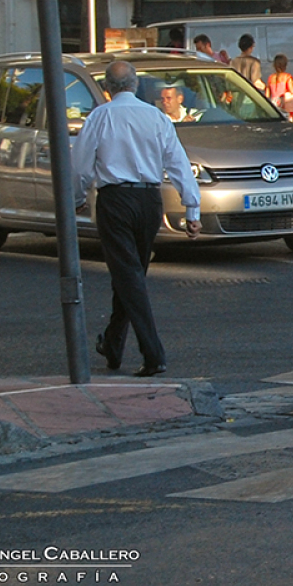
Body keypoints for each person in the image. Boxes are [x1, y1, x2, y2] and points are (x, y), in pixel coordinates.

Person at [73, 61, 201, 377]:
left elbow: (79, 167)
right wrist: (192, 209)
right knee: (131, 274)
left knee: (128, 274)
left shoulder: (99, 117)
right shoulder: (156, 117)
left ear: (108, 88)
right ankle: (113, 344)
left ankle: (153, 352)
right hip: (148, 200)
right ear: (134, 86)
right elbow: (178, 163)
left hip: (115, 199)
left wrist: (77, 199)